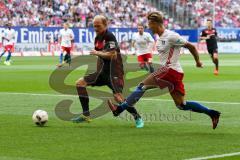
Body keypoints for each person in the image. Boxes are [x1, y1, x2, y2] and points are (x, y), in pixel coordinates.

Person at [108, 12, 221, 129]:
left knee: (142, 87)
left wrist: (197, 62)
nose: (149, 27)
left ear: (156, 24)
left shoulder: (171, 36)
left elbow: (191, 46)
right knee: (181, 105)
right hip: (174, 72)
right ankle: (212, 113)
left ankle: (118, 110)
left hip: (169, 70)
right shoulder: (160, 37)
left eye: (150, 24)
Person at [71, 15, 144, 128]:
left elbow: (112, 55)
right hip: (102, 73)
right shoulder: (97, 38)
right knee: (80, 83)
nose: (96, 28)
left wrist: (97, 53)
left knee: (118, 98)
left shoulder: (109, 36)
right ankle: (86, 115)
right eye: (94, 26)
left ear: (105, 25)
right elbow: (101, 57)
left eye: (98, 26)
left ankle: (137, 117)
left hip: (114, 73)